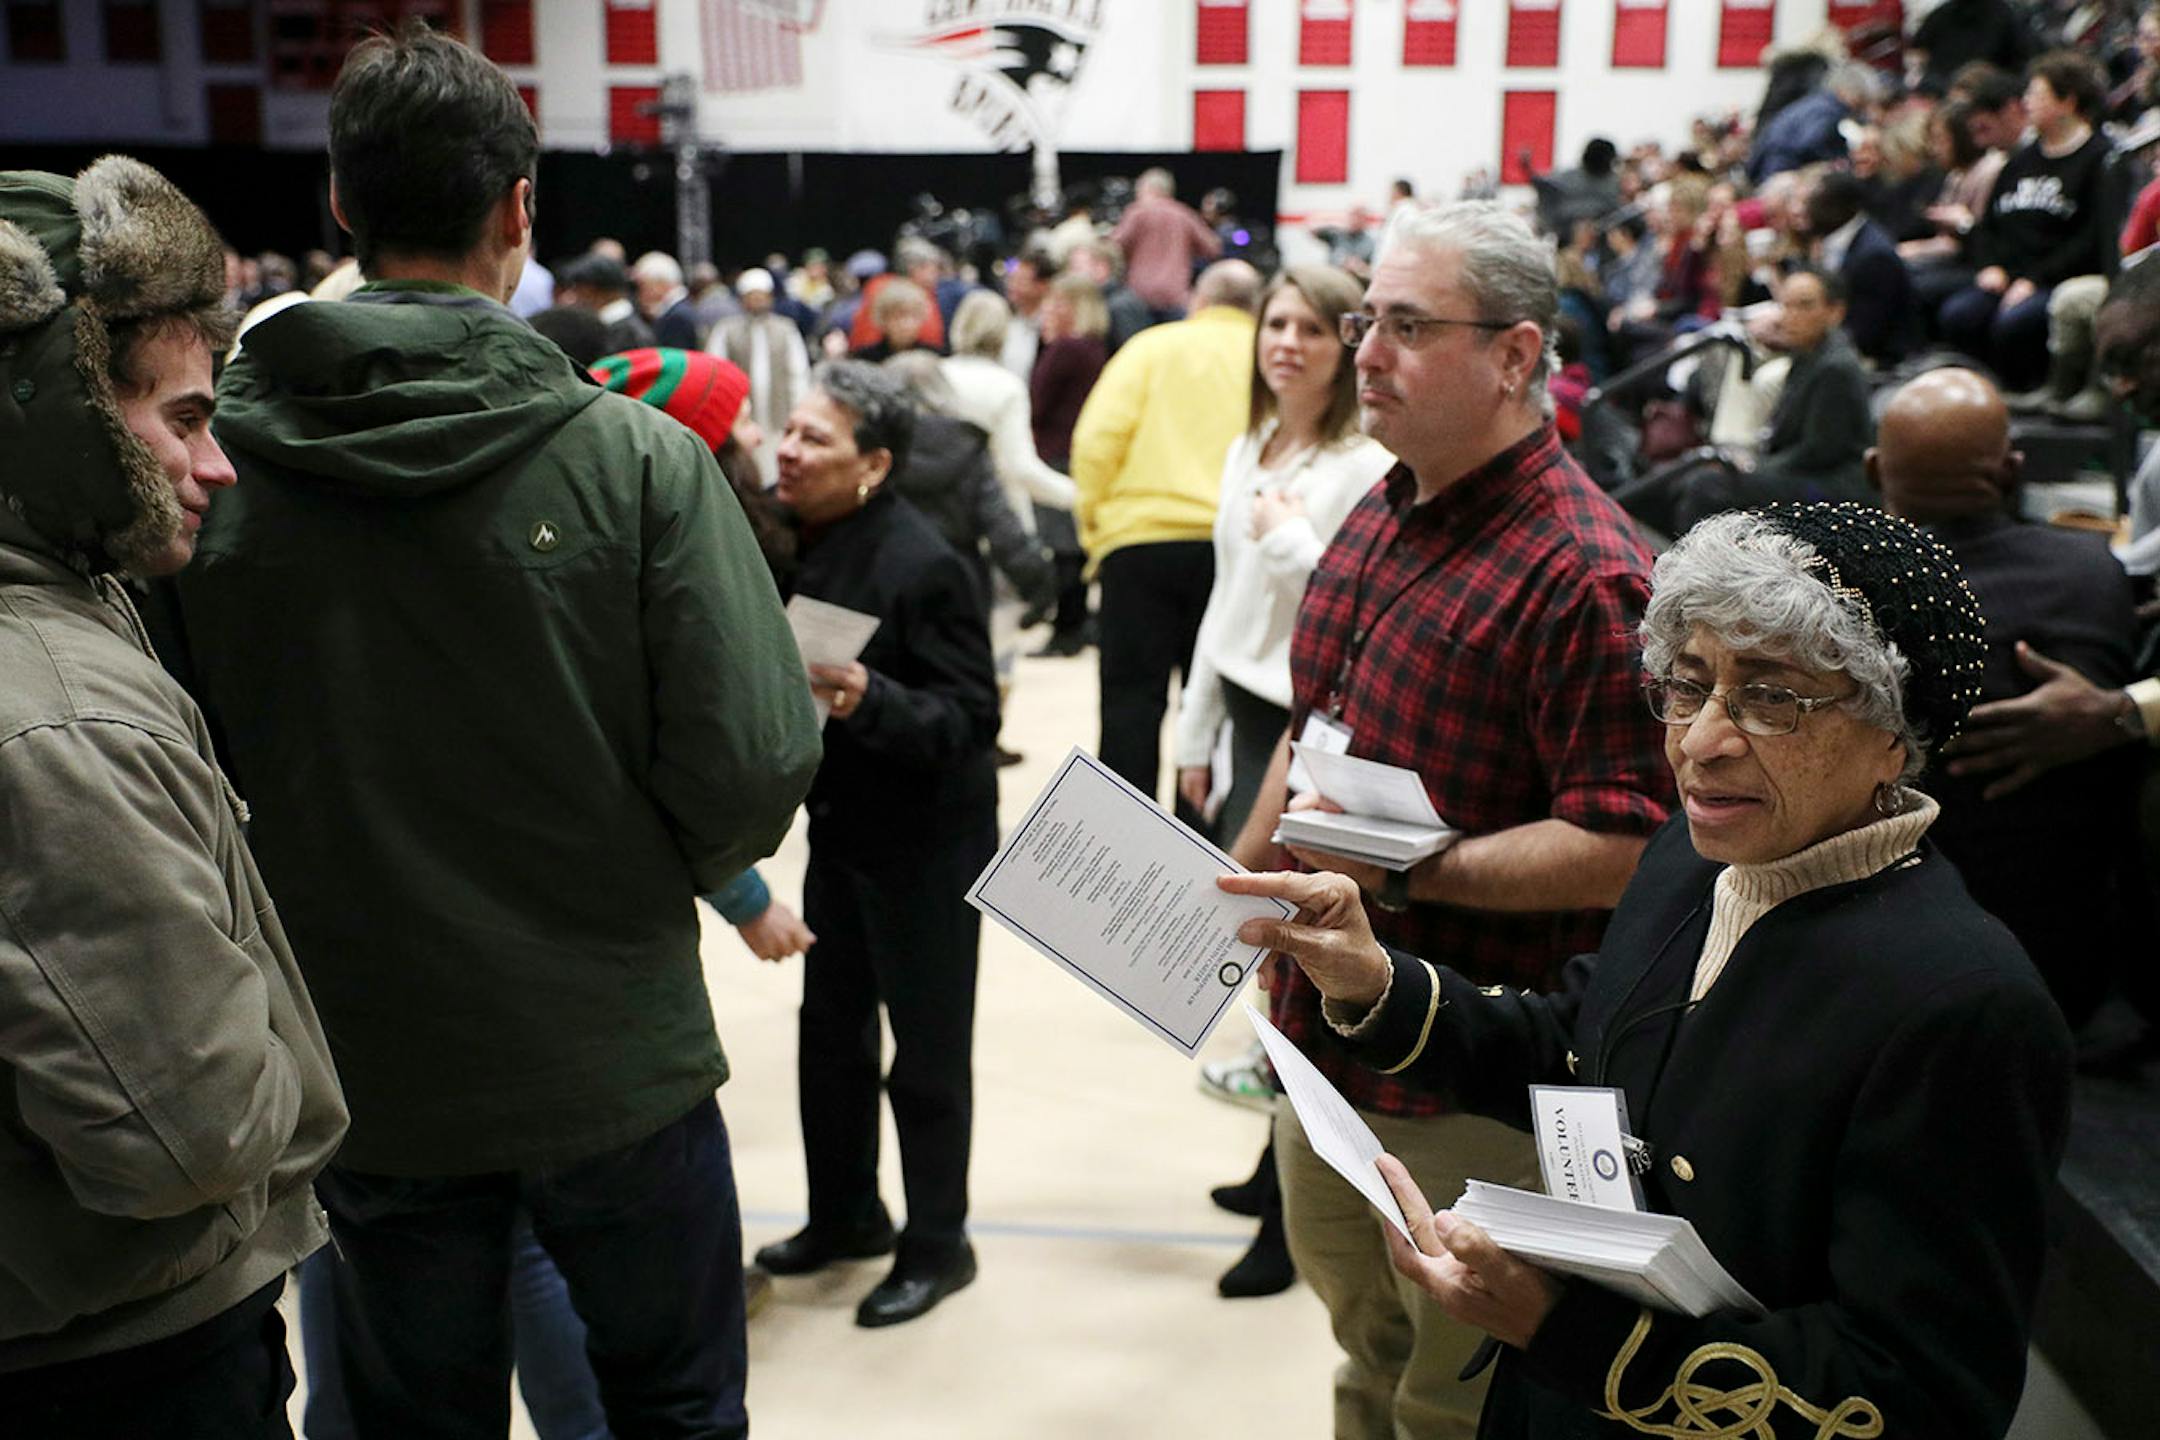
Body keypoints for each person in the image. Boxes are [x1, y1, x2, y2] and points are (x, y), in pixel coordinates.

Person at [173, 26, 822, 1436]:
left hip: (361, 1065)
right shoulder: (638, 461)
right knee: (676, 1402)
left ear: (342, 206)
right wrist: (672, 859)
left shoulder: (212, 477)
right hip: (615, 1050)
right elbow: (756, 757)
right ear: (521, 210)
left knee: (410, 1414)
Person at [1224, 503, 2073, 1440]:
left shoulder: (1962, 1005)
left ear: (1893, 734)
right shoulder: (1695, 859)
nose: (1700, 741)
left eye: (1771, 697)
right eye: (1691, 685)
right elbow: (1589, 1045)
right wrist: (1376, 981)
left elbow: (1919, 1399)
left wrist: (1568, 1330)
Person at [1229, 202, 1672, 1439]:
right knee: (1364, 1342)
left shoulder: (1588, 573)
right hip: (1320, 1045)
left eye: (1407, 326)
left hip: (1464, 1085)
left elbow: (1630, 846)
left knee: (1454, 1395)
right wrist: (1239, 875)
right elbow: (1308, 724)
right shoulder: (1384, 506)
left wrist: (1406, 886)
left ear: (1517, 357)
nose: (1364, 349)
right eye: (1367, 316)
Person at [0, 154, 348, 1439]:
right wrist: (276, 1077)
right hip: (121, 1362)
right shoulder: (53, 717)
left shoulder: (60, 600)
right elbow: (189, 1139)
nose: (220, 466)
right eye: (186, 420)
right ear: (67, 415)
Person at [751, 362, 1001, 1328]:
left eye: (817, 439)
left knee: (927, 1055)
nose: (789, 448)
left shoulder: (923, 562)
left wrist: (873, 698)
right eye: (792, 429)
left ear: (875, 465)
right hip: (842, 832)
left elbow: (970, 717)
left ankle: (941, 1243)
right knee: (831, 1036)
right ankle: (845, 1214)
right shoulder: (794, 540)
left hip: (930, 844)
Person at [1170, 264, 1396, 1301]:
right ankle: (1271, 1171)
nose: (1288, 343)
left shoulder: (1362, 464)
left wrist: (1293, 537)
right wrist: (1195, 727)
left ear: (1343, 343)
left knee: (1288, 962)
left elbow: (1360, 613)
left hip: (1316, 723)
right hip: (1249, 711)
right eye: (1275, 324)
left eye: (1311, 326)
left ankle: (1286, 1202)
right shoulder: (1248, 445)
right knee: (1247, 959)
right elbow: (1224, 601)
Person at [1869, 368, 2142, 1028]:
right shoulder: (2096, 575)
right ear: (2013, 471)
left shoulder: (1834, 601)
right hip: (2077, 972)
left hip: (1888, 972)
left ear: (1876, 472)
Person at [1071, 259, 1262, 814]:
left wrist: (1098, 528)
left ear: (1198, 300)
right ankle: (1198, 854)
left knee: (1130, 704)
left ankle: (1121, 848)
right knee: (1214, 715)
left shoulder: (1151, 348)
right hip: (1234, 551)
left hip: (1139, 544)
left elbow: (1095, 443)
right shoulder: (1269, 358)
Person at [1619, 266, 1873, 536]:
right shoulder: (1808, 354)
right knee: (1676, 481)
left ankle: (1694, 568)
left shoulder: (1836, 367)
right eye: (1785, 306)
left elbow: (1819, 451)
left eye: (1804, 306)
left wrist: (1752, 468)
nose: (1791, 316)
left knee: (1706, 486)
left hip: (1830, 486)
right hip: (1803, 468)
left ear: (1835, 312)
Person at [1939, 51, 2113, 391]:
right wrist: (1992, 266)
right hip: (2009, 276)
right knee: (1958, 314)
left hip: (2059, 278)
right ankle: (1977, 391)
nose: (2027, 103)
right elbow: (1991, 223)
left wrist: (2035, 279)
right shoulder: (2020, 161)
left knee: (2015, 324)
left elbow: (2091, 238)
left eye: (2037, 94)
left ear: (2067, 102)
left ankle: (2024, 391)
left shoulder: (2100, 160)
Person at [1029, 271, 1112, 658]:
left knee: (1062, 548)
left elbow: (1037, 400)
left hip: (1058, 455)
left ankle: (1067, 630)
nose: (1050, 309)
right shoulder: (1096, 348)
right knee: (1075, 548)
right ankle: (1076, 623)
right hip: (1082, 454)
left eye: (1058, 303)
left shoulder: (1065, 350)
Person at [708, 266, 811, 483]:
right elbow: (715, 371)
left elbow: (798, 372)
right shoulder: (727, 329)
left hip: (778, 414)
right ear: (742, 298)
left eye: (761, 296)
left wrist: (798, 408)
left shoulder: (785, 328)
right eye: (752, 296)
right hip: (742, 415)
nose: (757, 301)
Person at [1806, 168, 1916, 366]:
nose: (1807, 207)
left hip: (1876, 360)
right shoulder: (1830, 240)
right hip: (1835, 346)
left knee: (1769, 379)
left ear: (1841, 207)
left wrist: (1796, 335)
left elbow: (1865, 334)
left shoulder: (1874, 257)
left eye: (1817, 200)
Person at [1112, 166, 1223, 322]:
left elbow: (1114, 247)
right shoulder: (1184, 214)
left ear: (1148, 188)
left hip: (1139, 295)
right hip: (1176, 295)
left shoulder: (1137, 212)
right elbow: (1213, 248)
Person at [557, 251, 655, 355]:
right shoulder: (628, 327)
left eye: (576, 289)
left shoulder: (628, 335)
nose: (572, 298)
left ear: (590, 289)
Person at [633, 250, 699, 349]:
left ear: (660, 284)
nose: (640, 294)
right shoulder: (683, 308)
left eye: (643, 286)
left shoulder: (677, 317)